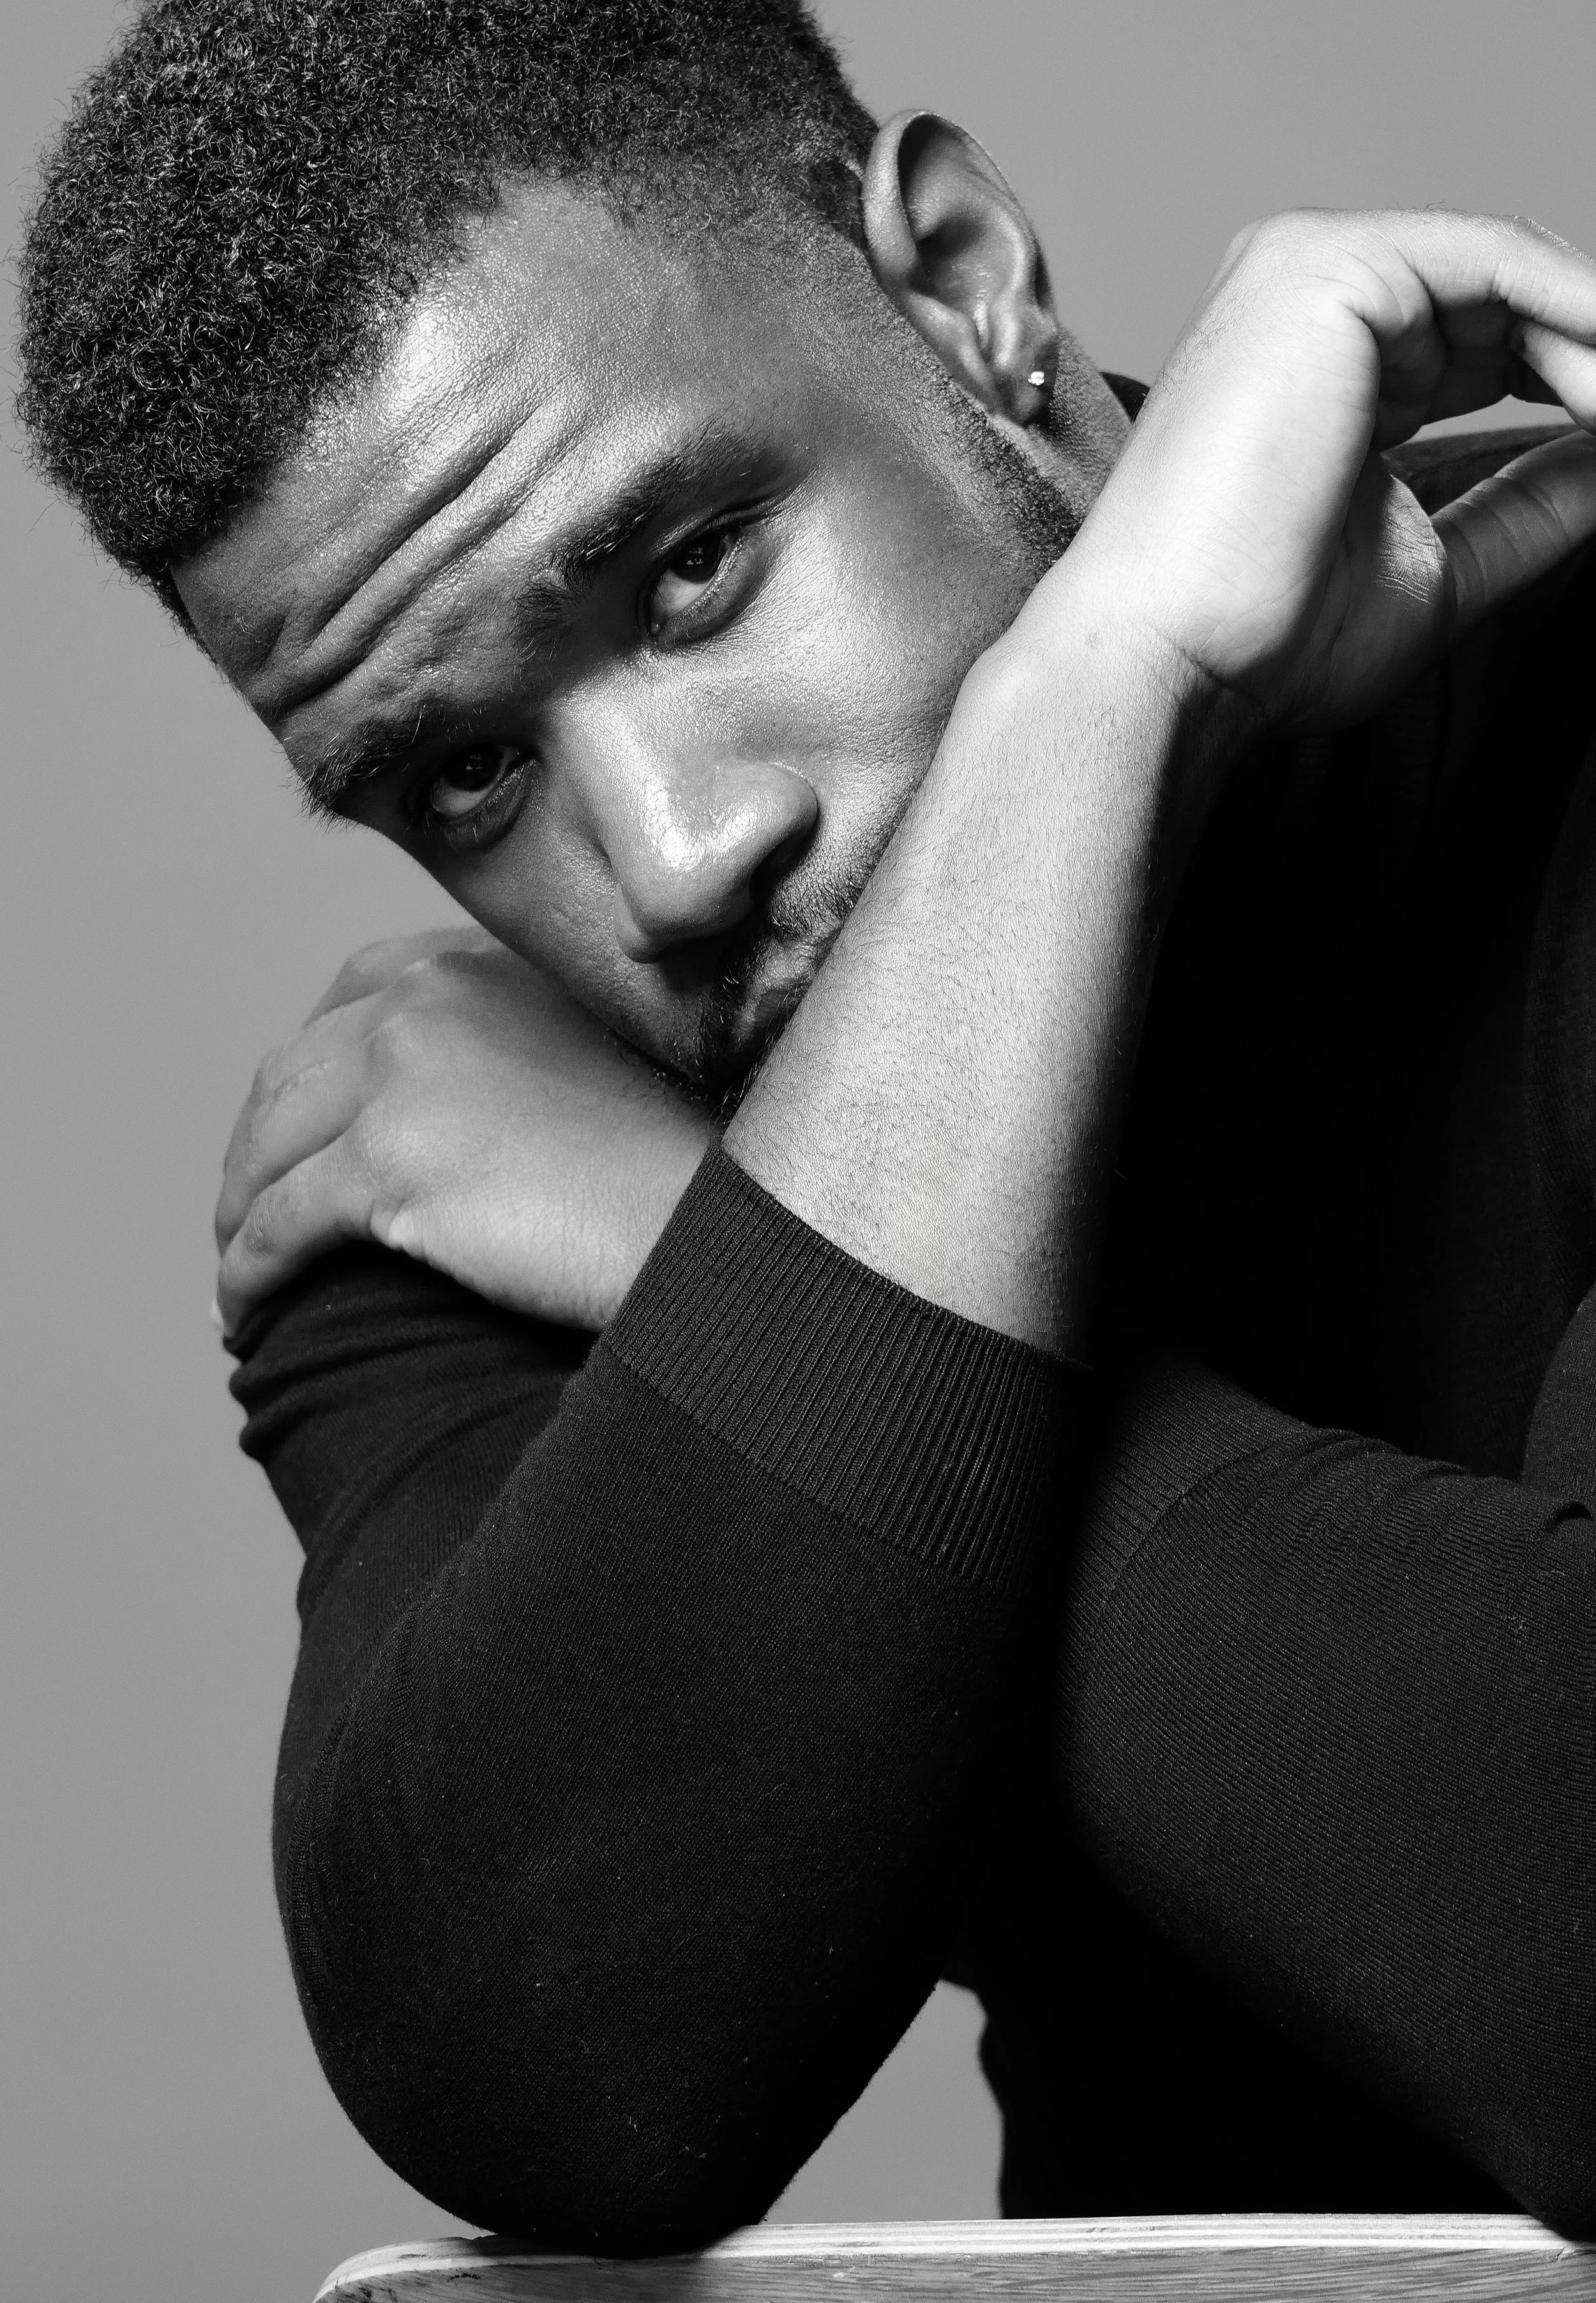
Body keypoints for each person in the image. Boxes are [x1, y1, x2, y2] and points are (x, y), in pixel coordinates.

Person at [18, 0, 1596, 2252]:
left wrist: (1081, 706)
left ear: (964, 287)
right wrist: (1075, 742)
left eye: (687, 567)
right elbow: (548, 2060)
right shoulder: (444, 1148)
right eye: (462, 779)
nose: (668, 863)